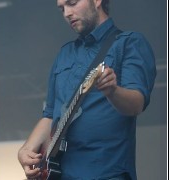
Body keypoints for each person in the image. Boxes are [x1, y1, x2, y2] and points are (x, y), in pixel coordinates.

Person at [18, 0, 156, 179]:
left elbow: (137, 104)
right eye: (62, 8)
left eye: (72, 3)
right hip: (61, 173)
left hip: (106, 172)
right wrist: (26, 149)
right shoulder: (64, 54)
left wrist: (112, 91)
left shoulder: (129, 43)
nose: (67, 13)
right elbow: (51, 115)